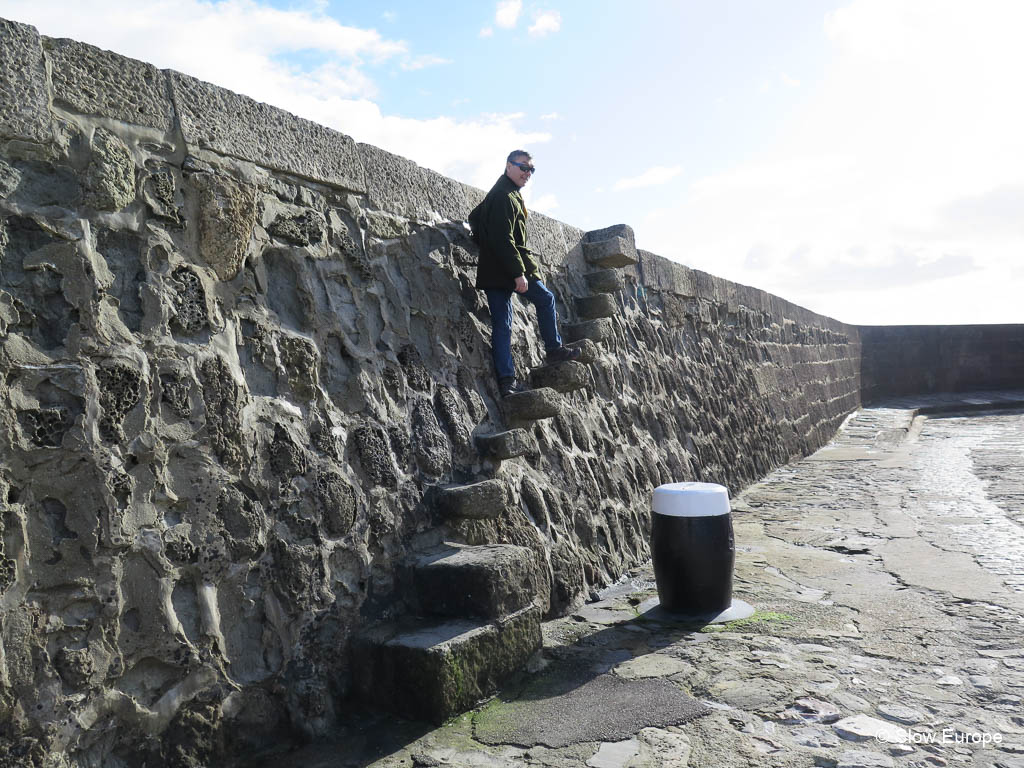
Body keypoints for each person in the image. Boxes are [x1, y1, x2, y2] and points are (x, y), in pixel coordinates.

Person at [472, 150, 580, 397]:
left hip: (499, 268)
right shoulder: (503, 195)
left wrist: (482, 241)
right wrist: (518, 273)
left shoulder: (505, 193)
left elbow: (474, 217)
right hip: (508, 269)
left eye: (531, 169)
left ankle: (508, 381)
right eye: (523, 167)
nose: (527, 173)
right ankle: (549, 353)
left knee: (504, 324)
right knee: (541, 302)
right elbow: (504, 239)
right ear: (508, 166)